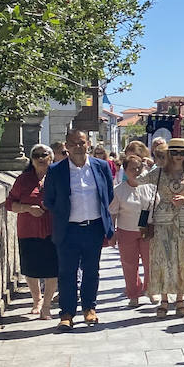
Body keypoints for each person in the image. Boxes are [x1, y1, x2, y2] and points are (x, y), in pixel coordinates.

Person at [43, 128, 115, 330]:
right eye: (73, 143)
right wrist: (63, 213)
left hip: (93, 228)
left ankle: (89, 309)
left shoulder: (101, 167)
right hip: (68, 230)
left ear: (88, 144)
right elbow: (48, 200)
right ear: (66, 146)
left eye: (81, 142)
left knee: (92, 271)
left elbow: (107, 196)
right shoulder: (56, 170)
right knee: (67, 272)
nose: (78, 146)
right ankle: (66, 314)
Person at [146, 138, 184, 319]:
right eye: (175, 152)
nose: (178, 156)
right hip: (163, 221)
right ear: (169, 154)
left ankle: (180, 299)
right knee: (164, 259)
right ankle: (164, 299)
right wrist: (140, 161)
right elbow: (136, 179)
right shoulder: (158, 173)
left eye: (182, 153)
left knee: (182, 261)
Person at [6, 143, 58, 318]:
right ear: (31, 159)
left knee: (53, 268)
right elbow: (9, 204)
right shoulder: (23, 180)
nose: (41, 158)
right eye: (36, 155)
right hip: (28, 229)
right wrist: (28, 208)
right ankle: (37, 299)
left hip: (53, 228)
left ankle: (47, 306)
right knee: (30, 268)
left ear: (51, 157)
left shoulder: (58, 177)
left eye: (44, 155)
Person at [111, 151, 155, 308]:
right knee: (129, 264)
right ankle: (133, 293)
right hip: (126, 230)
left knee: (150, 262)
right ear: (125, 170)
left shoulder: (150, 187)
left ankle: (151, 289)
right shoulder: (118, 190)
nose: (136, 172)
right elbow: (113, 213)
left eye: (139, 168)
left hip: (148, 230)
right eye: (132, 169)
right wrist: (112, 233)